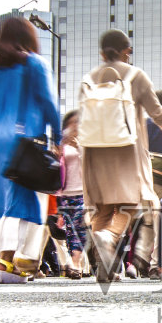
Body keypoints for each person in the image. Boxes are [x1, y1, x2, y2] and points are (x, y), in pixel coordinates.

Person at [80, 28, 162, 283]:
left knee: (102, 208)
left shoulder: (90, 78)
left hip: (94, 151)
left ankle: (104, 267)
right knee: (132, 202)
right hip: (126, 148)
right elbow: (157, 111)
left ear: (102, 53)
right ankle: (109, 237)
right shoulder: (135, 75)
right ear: (127, 51)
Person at [0, 15, 60, 284]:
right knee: (25, 202)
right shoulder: (35, 63)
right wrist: (57, 137)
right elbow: (48, 103)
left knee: (2, 202)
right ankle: (17, 259)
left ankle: (3, 261)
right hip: (23, 137)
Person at [58, 109, 87, 279]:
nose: (75, 125)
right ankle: (75, 262)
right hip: (64, 193)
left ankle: (75, 262)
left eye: (78, 122)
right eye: (72, 122)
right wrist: (58, 148)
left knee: (79, 226)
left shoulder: (86, 141)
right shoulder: (61, 143)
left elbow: (91, 166)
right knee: (70, 230)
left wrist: (80, 148)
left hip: (83, 192)